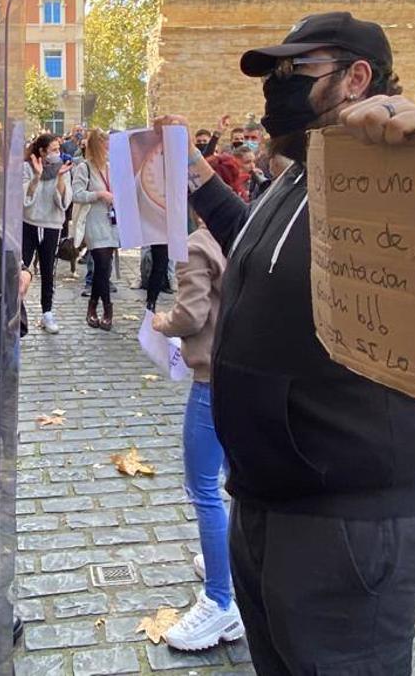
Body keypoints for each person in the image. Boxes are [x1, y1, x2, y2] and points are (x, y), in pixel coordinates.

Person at [155, 10, 415, 675]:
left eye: (294, 70)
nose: (275, 87)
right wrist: (197, 174)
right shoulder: (300, 171)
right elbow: (259, 250)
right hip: (265, 506)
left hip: (345, 525)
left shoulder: (388, 181)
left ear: (355, 78)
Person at [152, 163, 246, 653]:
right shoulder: (247, 232)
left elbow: (191, 315)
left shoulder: (196, 245)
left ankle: (220, 602)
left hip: (210, 382)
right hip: (242, 376)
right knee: (236, 481)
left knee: (203, 489)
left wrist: (158, 322)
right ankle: (229, 563)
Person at [21, 133, 72, 333]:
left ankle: (47, 312)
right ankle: (19, 311)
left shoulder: (63, 169)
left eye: (58, 150)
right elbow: (25, 199)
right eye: (53, 150)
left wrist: (59, 177)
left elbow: (63, 201)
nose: (56, 154)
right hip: (29, 223)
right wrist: (36, 176)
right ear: (41, 151)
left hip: (51, 225)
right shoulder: (27, 167)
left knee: (48, 270)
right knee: (22, 267)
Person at [72, 127, 120, 330]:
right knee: (101, 262)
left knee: (104, 267)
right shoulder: (85, 168)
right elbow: (77, 194)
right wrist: (99, 195)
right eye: (105, 144)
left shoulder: (112, 167)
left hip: (111, 222)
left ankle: (93, 307)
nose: (108, 147)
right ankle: (107, 308)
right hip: (93, 220)